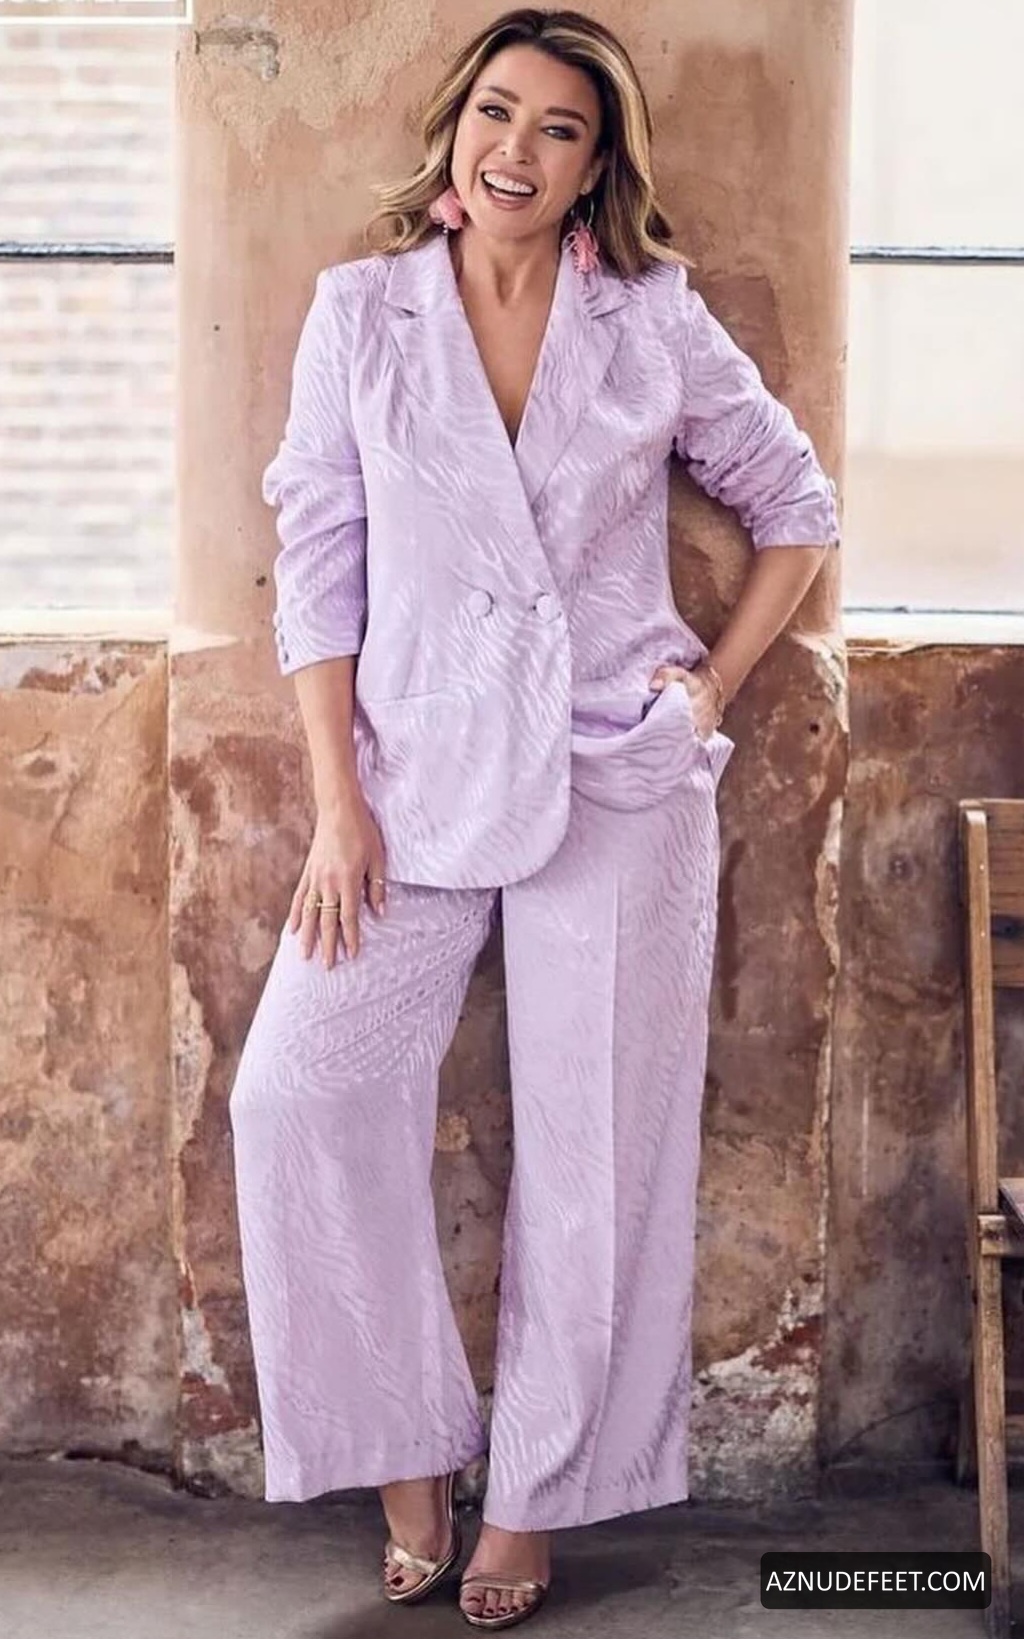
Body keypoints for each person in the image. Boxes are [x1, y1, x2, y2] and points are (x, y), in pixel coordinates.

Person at [228, 6, 839, 1630]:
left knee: (600, 1150)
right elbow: (318, 567)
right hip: (408, 779)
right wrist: (336, 806)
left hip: (617, 770)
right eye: (497, 112)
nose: (517, 148)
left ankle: (542, 1500)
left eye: (559, 129)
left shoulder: (650, 319)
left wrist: (709, 687)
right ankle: (405, 1448)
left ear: (593, 167)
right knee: (293, 1097)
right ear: (456, 127)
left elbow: (797, 506)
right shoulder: (361, 313)